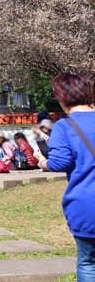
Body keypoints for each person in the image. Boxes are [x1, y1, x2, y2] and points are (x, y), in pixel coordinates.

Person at [35, 73, 95, 280]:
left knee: (89, 262)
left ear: (62, 97)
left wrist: (43, 162)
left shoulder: (64, 126)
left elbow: (60, 162)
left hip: (87, 206)